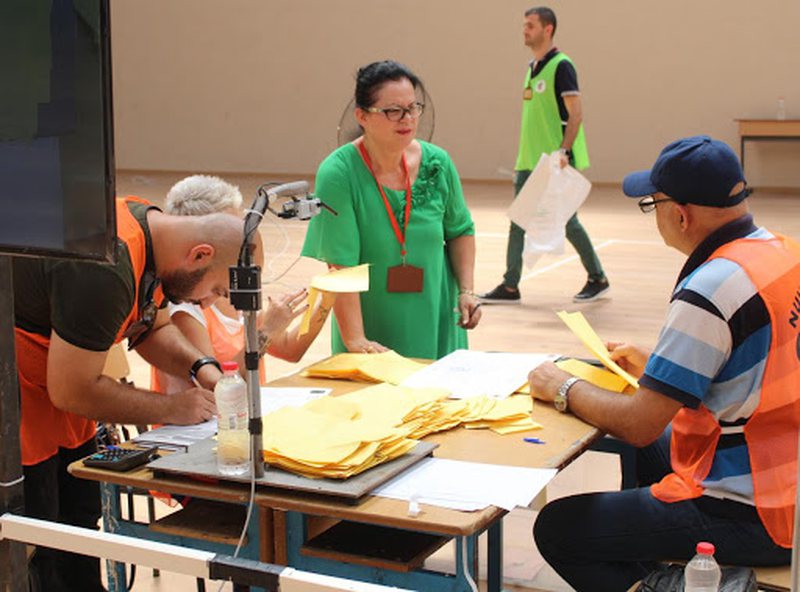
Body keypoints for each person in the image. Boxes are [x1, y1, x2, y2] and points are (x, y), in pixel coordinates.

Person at [527, 135, 797, 592]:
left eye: (652, 204)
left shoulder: (709, 290)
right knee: (654, 452)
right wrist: (659, 366)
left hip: (755, 511)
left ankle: (662, 584)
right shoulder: (781, 251)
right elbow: (754, 360)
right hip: (783, 469)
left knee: (558, 528)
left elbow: (639, 424)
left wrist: (562, 386)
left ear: (681, 214)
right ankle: (661, 568)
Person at [14, 195, 249, 591]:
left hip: (63, 399)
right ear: (199, 254)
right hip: (21, 405)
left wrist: (203, 370)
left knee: (79, 524)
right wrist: (171, 407)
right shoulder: (105, 264)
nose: (207, 301)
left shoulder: (156, 236)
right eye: (216, 288)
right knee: (39, 543)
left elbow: (150, 327)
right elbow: (73, 390)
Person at [301, 60, 481, 359]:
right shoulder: (339, 173)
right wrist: (356, 339)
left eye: (413, 108)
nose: (407, 119)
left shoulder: (438, 163)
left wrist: (467, 291)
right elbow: (341, 266)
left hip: (438, 315)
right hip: (373, 326)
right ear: (362, 116)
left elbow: (460, 230)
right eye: (392, 111)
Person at [152, 175, 334, 394]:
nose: (241, 234)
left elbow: (289, 350)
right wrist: (266, 331)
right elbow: (216, 388)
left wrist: (329, 296)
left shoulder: (230, 285)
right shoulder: (184, 307)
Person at [480, 6, 609, 304]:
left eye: (530, 25)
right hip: (528, 161)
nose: (524, 30)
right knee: (518, 221)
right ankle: (510, 286)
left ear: (547, 29)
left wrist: (564, 150)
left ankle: (598, 278)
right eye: (523, 25)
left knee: (566, 222)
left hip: (554, 160)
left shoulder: (562, 66)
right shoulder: (531, 67)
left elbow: (576, 114)